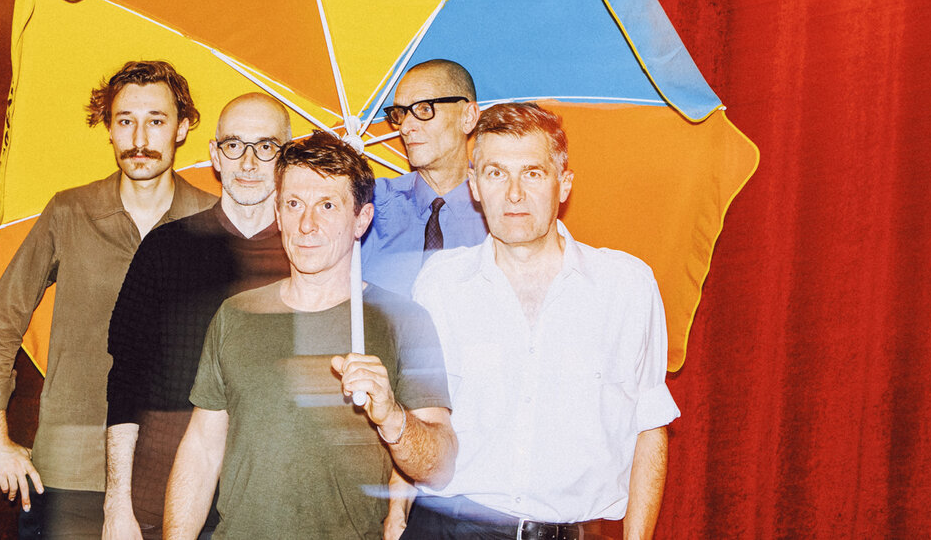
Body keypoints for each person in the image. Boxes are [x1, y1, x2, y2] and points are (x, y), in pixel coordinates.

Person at [0, 60, 216, 539]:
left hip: (178, 472)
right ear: (109, 129)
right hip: (72, 469)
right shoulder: (70, 211)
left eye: (156, 120)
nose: (140, 138)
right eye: (126, 121)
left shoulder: (211, 223)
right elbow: (1, 319)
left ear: (182, 128)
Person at [405, 103, 680, 540]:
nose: (514, 193)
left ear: (563, 183)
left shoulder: (626, 285)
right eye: (496, 173)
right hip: (448, 527)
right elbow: (421, 414)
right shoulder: (439, 284)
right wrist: (395, 515)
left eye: (532, 173)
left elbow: (649, 426)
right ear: (474, 185)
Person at [163, 131, 457, 540]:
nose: (306, 224)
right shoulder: (236, 314)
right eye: (294, 204)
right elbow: (201, 448)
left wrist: (392, 417)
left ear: (361, 220)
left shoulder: (404, 321)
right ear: (278, 214)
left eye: (327, 205)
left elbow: (440, 468)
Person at [102, 93, 293, 539]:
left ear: (286, 157)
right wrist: (117, 506)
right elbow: (125, 378)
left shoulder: (310, 256)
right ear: (215, 155)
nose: (249, 162)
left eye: (266, 147)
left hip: (268, 510)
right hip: (160, 502)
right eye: (234, 145)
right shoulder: (165, 249)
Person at [361, 59, 486, 298]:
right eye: (400, 113)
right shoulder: (368, 204)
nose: (405, 127)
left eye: (425, 109)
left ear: (468, 117)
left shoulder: (502, 210)